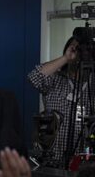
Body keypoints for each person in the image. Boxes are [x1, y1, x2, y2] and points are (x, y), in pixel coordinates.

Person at [27, 37, 89, 167]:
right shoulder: (56, 79)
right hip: (53, 158)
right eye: (76, 48)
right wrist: (66, 58)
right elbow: (35, 77)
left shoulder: (92, 86)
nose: (80, 54)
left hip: (84, 163)